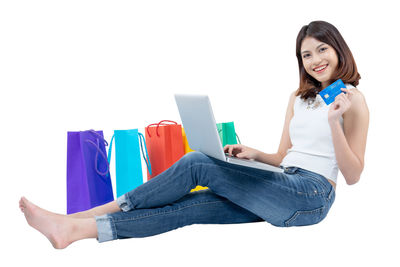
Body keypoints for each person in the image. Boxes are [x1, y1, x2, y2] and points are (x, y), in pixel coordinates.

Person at [19, 20, 369, 249]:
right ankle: (75, 230)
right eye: (306, 54)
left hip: (312, 196)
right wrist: (253, 154)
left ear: (338, 49)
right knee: (191, 207)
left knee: (198, 163)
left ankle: (79, 215)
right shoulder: (299, 98)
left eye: (322, 49)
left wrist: (335, 122)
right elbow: (282, 157)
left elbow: (353, 176)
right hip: (281, 181)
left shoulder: (352, 101)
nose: (315, 60)